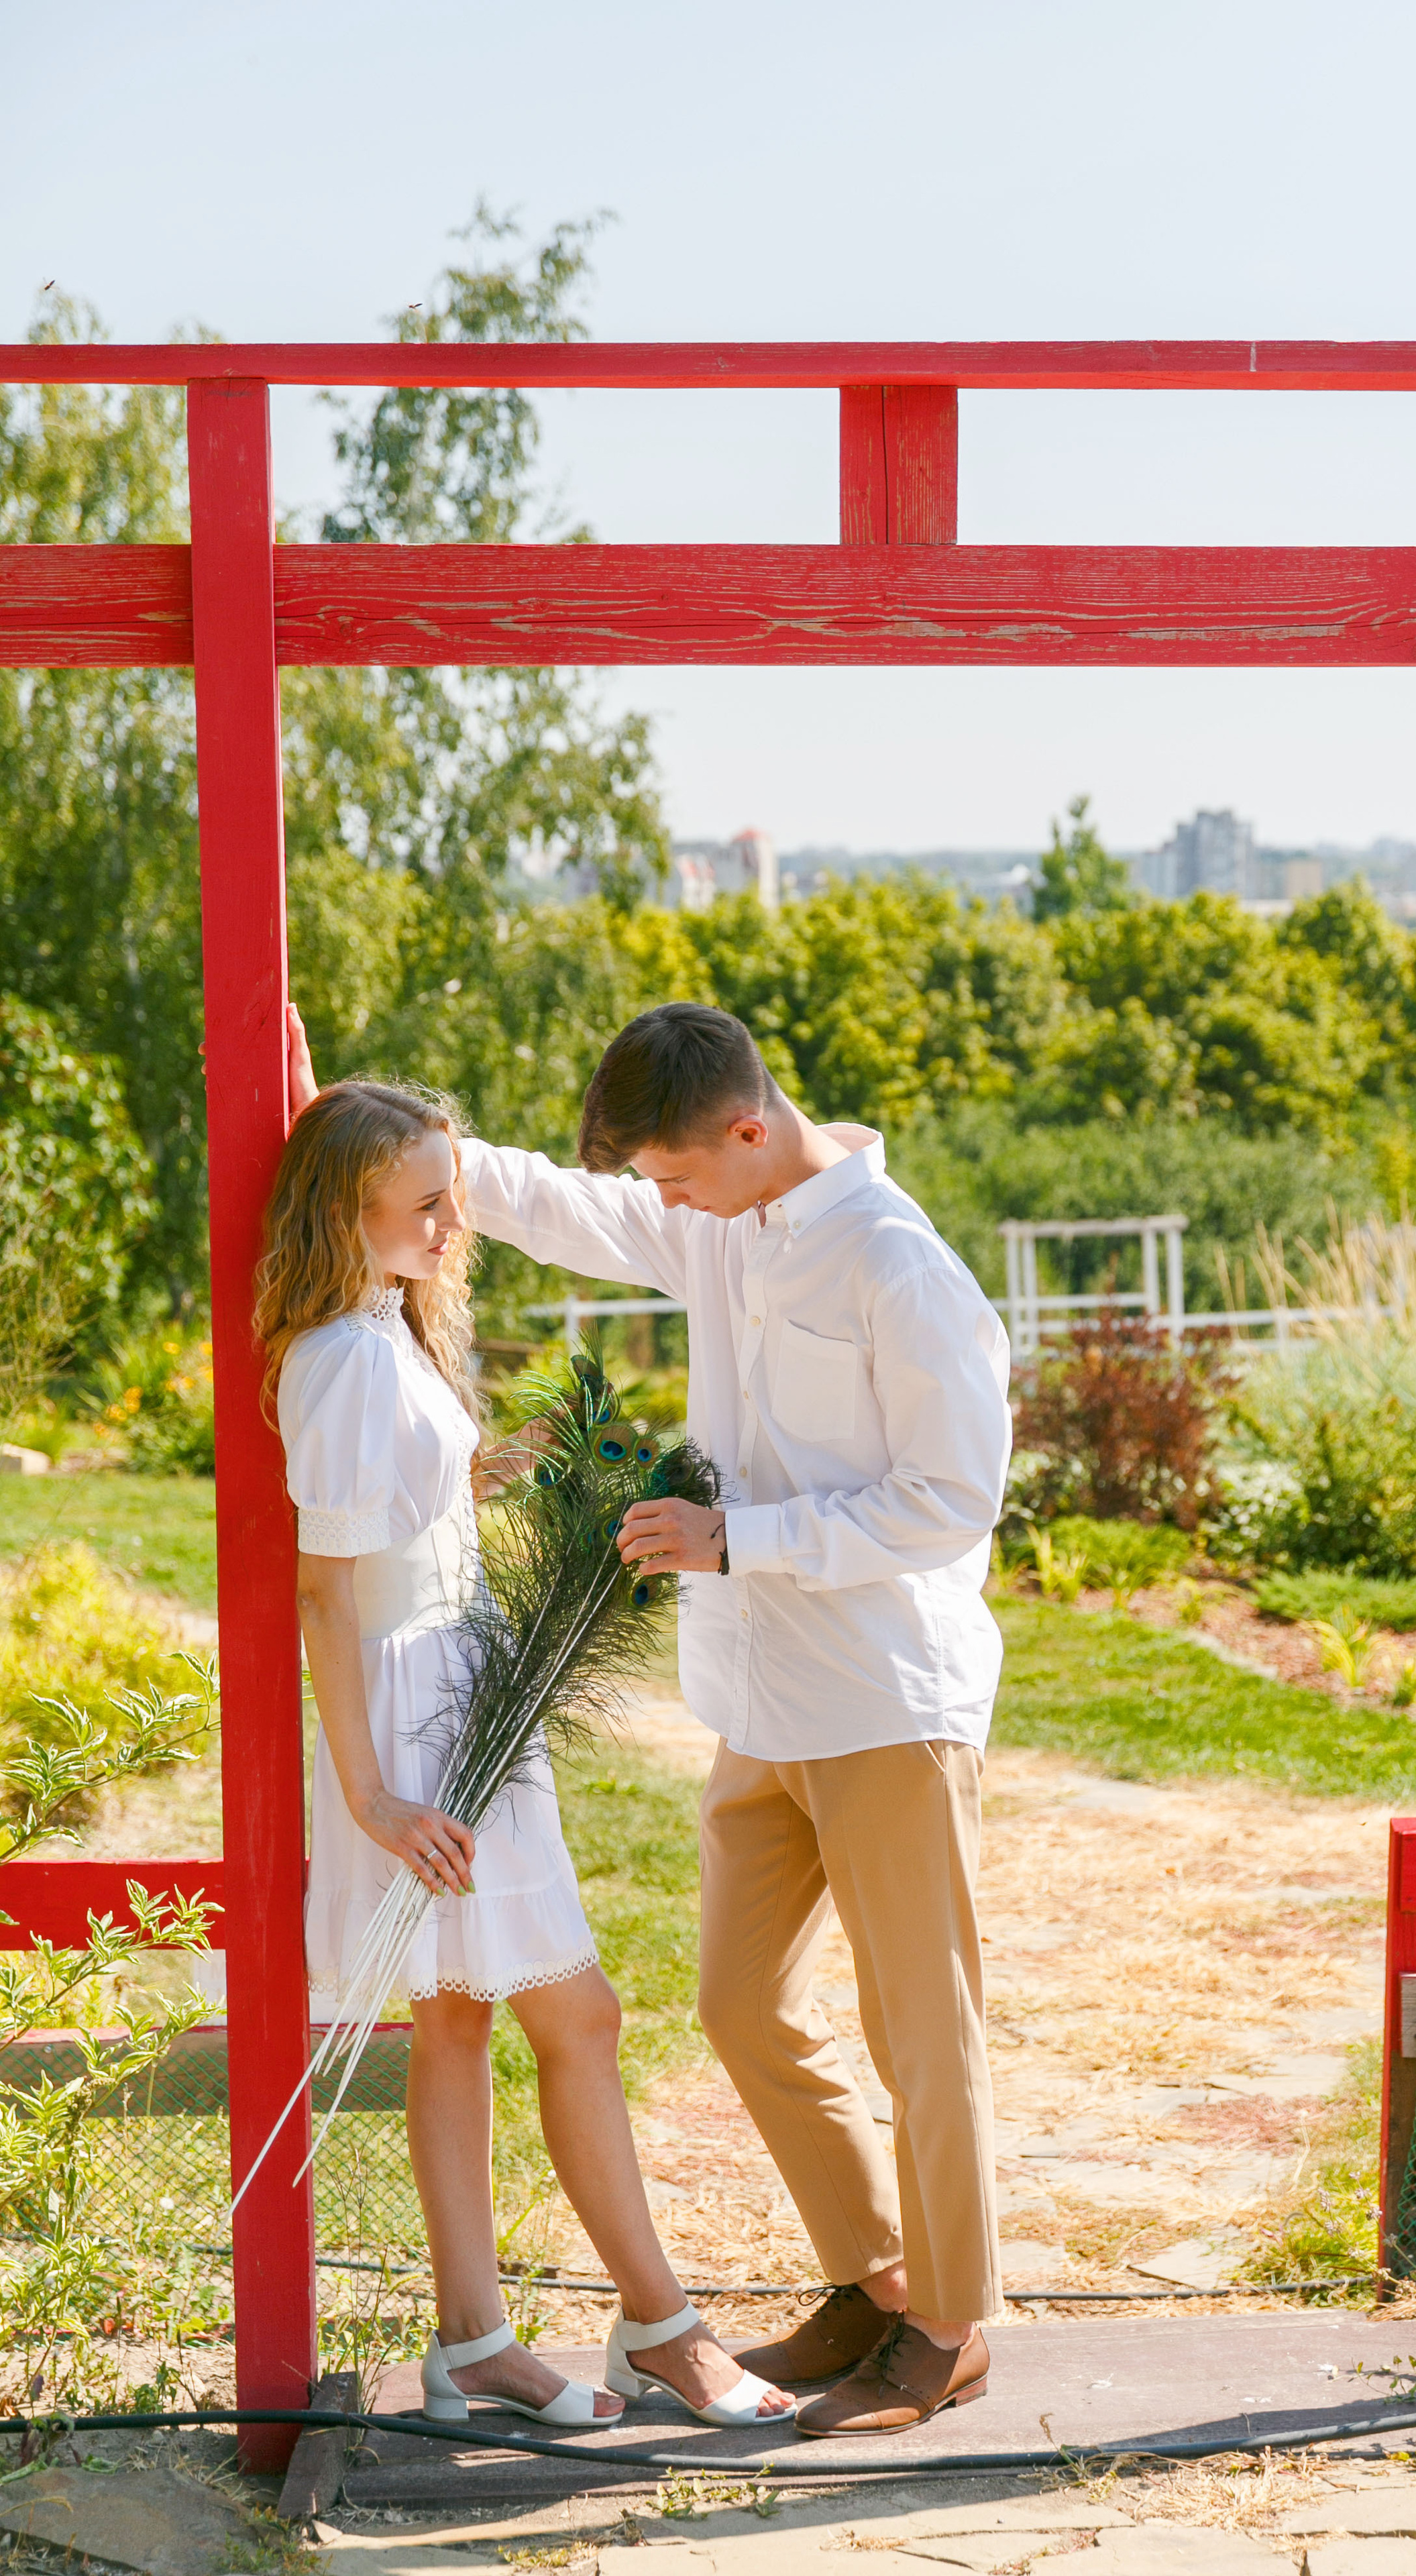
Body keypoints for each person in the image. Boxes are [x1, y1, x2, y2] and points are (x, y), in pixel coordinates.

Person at [287, 1001, 1012, 2438]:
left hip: (884, 1697)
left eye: (673, 1177)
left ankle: (948, 2326)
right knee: (742, 2011)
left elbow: (951, 1500)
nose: (659, 1207)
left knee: (920, 2027)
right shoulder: (725, 1222)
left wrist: (739, 1539)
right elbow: (559, 1204)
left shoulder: (898, 1266)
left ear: (747, 1131)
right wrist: (352, 1132)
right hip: (765, 1702)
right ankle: (872, 2278)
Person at [255, 1075, 792, 2430]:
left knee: (459, 2020)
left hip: (455, 1687)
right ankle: (662, 2329)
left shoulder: (379, 1335)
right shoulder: (337, 1358)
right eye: (425, 1203)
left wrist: (498, 1466)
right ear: (347, 1210)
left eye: (450, 1197)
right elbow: (321, 1592)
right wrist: (374, 1796)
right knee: (581, 2013)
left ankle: (472, 2343)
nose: (453, 1223)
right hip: (427, 1732)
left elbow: (401, 1504)